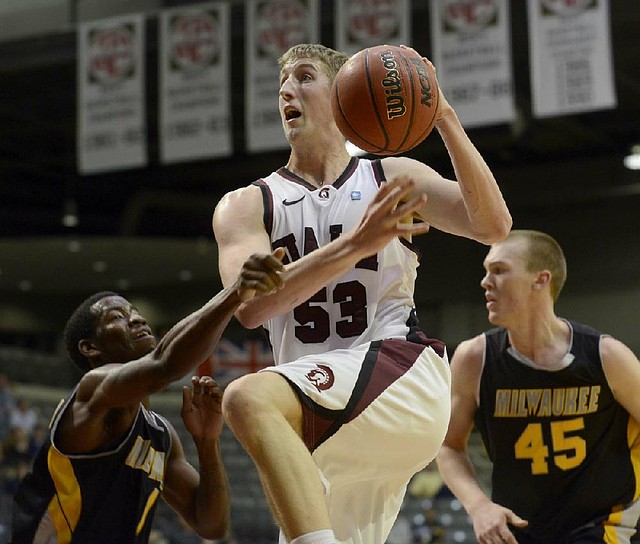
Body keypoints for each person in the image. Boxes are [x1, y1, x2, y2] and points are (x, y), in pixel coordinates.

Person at [212, 43, 512, 544]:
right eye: (281, 84)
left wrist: (444, 118)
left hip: (401, 374)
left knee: (247, 398)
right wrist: (356, 245)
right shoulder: (247, 205)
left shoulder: (390, 175)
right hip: (326, 418)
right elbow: (250, 307)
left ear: (343, 91)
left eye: (304, 77)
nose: (287, 89)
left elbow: (492, 225)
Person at [10, 250, 285, 544]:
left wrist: (207, 443)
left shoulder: (160, 434)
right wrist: (234, 295)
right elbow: (164, 365)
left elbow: (211, 525)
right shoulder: (92, 394)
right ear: (90, 348)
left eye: (135, 313)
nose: (136, 320)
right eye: (117, 317)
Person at [436, 230, 640, 544]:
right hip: (518, 526)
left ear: (540, 280)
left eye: (500, 270)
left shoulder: (606, 357)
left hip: (603, 524)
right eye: (486, 271)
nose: (485, 281)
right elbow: (448, 445)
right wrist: (478, 506)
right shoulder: (474, 359)